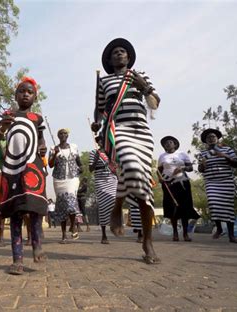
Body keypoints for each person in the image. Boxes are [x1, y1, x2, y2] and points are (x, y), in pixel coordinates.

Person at [91, 38, 161, 264]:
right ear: (110, 61)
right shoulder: (105, 81)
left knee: (142, 185)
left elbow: (155, 103)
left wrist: (144, 85)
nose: (119, 54)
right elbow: (100, 110)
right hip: (118, 129)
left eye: (122, 52)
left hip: (142, 131)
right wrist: (96, 123)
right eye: (115, 53)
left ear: (128, 57)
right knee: (130, 165)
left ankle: (147, 242)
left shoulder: (140, 75)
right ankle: (118, 205)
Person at [0, 76, 48, 275]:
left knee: (34, 208)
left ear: (34, 97)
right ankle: (17, 260)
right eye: (22, 91)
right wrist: (3, 125)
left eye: (29, 92)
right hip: (12, 168)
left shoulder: (37, 119)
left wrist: (43, 149)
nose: (25, 94)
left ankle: (37, 244)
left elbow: (41, 141)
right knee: (16, 213)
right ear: (16, 95)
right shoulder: (8, 115)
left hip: (32, 166)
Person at [198, 128, 237, 243]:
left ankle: (231, 236)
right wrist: (202, 165)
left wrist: (225, 156)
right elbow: (200, 169)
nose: (211, 139)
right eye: (208, 138)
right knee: (213, 203)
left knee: (228, 207)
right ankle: (219, 228)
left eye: (213, 137)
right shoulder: (202, 153)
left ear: (217, 139)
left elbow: (236, 163)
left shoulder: (227, 149)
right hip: (211, 182)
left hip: (226, 181)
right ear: (205, 141)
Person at [157, 136, 200, 242]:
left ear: (175, 144)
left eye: (170, 142)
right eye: (165, 143)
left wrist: (183, 168)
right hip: (168, 184)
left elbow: (190, 168)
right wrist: (160, 179)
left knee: (184, 208)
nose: (168, 144)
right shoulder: (162, 156)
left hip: (183, 183)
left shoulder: (182, 154)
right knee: (172, 208)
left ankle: (185, 234)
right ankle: (175, 233)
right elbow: (158, 171)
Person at [49, 128, 82, 243]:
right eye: (61, 134)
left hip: (72, 178)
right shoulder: (53, 148)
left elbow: (78, 160)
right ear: (58, 136)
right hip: (59, 179)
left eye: (65, 133)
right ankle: (63, 235)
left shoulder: (74, 147)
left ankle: (73, 225)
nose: (63, 135)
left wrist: (81, 167)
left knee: (71, 203)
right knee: (62, 204)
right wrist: (55, 154)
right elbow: (50, 164)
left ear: (67, 136)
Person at [89, 135, 117, 244]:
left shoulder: (112, 153)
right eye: (100, 141)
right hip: (100, 180)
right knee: (103, 206)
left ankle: (114, 224)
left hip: (112, 179)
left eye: (104, 141)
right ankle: (104, 234)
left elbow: (116, 167)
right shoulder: (93, 152)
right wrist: (96, 157)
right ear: (97, 142)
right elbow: (91, 169)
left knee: (113, 201)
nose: (101, 142)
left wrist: (113, 163)